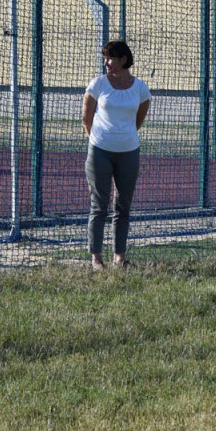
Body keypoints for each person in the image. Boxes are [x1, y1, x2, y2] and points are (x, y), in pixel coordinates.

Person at [81, 40, 151, 270]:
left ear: (123, 60)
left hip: (129, 152)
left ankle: (119, 256)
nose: (106, 62)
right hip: (99, 151)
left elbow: (138, 119)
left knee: (123, 206)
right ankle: (96, 259)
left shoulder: (140, 88)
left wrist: (124, 136)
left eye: (111, 58)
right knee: (98, 205)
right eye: (105, 58)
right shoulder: (98, 84)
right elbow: (86, 117)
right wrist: (99, 140)